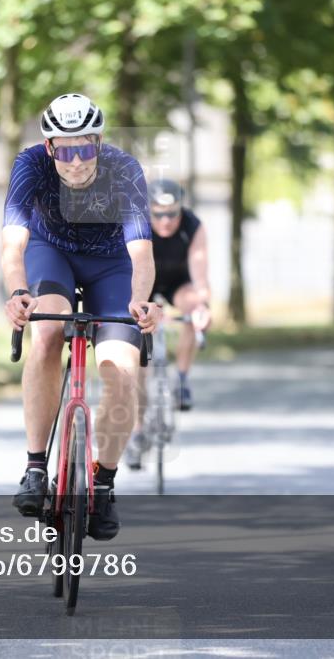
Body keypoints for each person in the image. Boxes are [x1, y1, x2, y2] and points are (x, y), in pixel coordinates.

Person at [1, 93, 161, 541]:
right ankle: (35, 467)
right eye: (65, 151)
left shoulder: (124, 169)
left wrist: (141, 301)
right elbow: (13, 243)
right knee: (47, 332)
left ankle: (103, 483)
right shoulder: (30, 165)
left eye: (85, 149)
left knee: (122, 371)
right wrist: (18, 293)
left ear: (99, 143)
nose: (76, 162)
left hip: (112, 265)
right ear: (49, 147)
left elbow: (141, 253)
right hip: (51, 254)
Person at [124, 179, 211, 469]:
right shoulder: (137, 225)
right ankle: (137, 431)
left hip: (178, 282)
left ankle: (182, 379)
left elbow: (200, 276)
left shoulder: (193, 226)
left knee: (195, 308)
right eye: (158, 214)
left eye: (172, 214)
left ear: (181, 210)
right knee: (140, 362)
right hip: (143, 285)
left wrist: (202, 306)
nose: (165, 221)